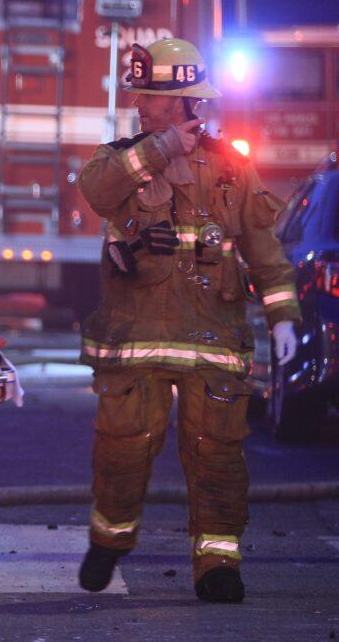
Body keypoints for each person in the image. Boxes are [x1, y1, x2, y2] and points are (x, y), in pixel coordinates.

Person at [77, 38, 301, 602]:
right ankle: (110, 539)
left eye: (149, 96)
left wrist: (283, 319)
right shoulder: (121, 159)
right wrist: (157, 150)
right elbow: (98, 192)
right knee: (123, 448)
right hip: (137, 342)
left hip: (214, 341)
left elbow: (264, 251)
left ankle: (218, 564)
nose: (139, 105)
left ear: (181, 100)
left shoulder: (232, 169)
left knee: (217, 454)